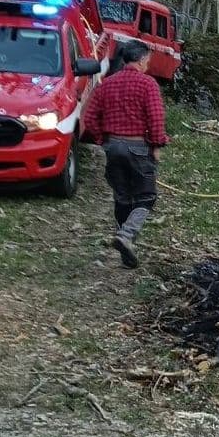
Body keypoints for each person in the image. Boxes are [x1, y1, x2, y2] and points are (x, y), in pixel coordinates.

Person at [83, 40, 168, 268]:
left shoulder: (107, 84)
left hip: (112, 147)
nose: (148, 65)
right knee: (146, 197)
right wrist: (157, 145)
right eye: (147, 60)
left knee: (122, 197)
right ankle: (126, 235)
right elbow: (156, 118)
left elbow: (89, 117)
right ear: (141, 60)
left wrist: (103, 140)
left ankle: (125, 250)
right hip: (138, 147)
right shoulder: (148, 84)